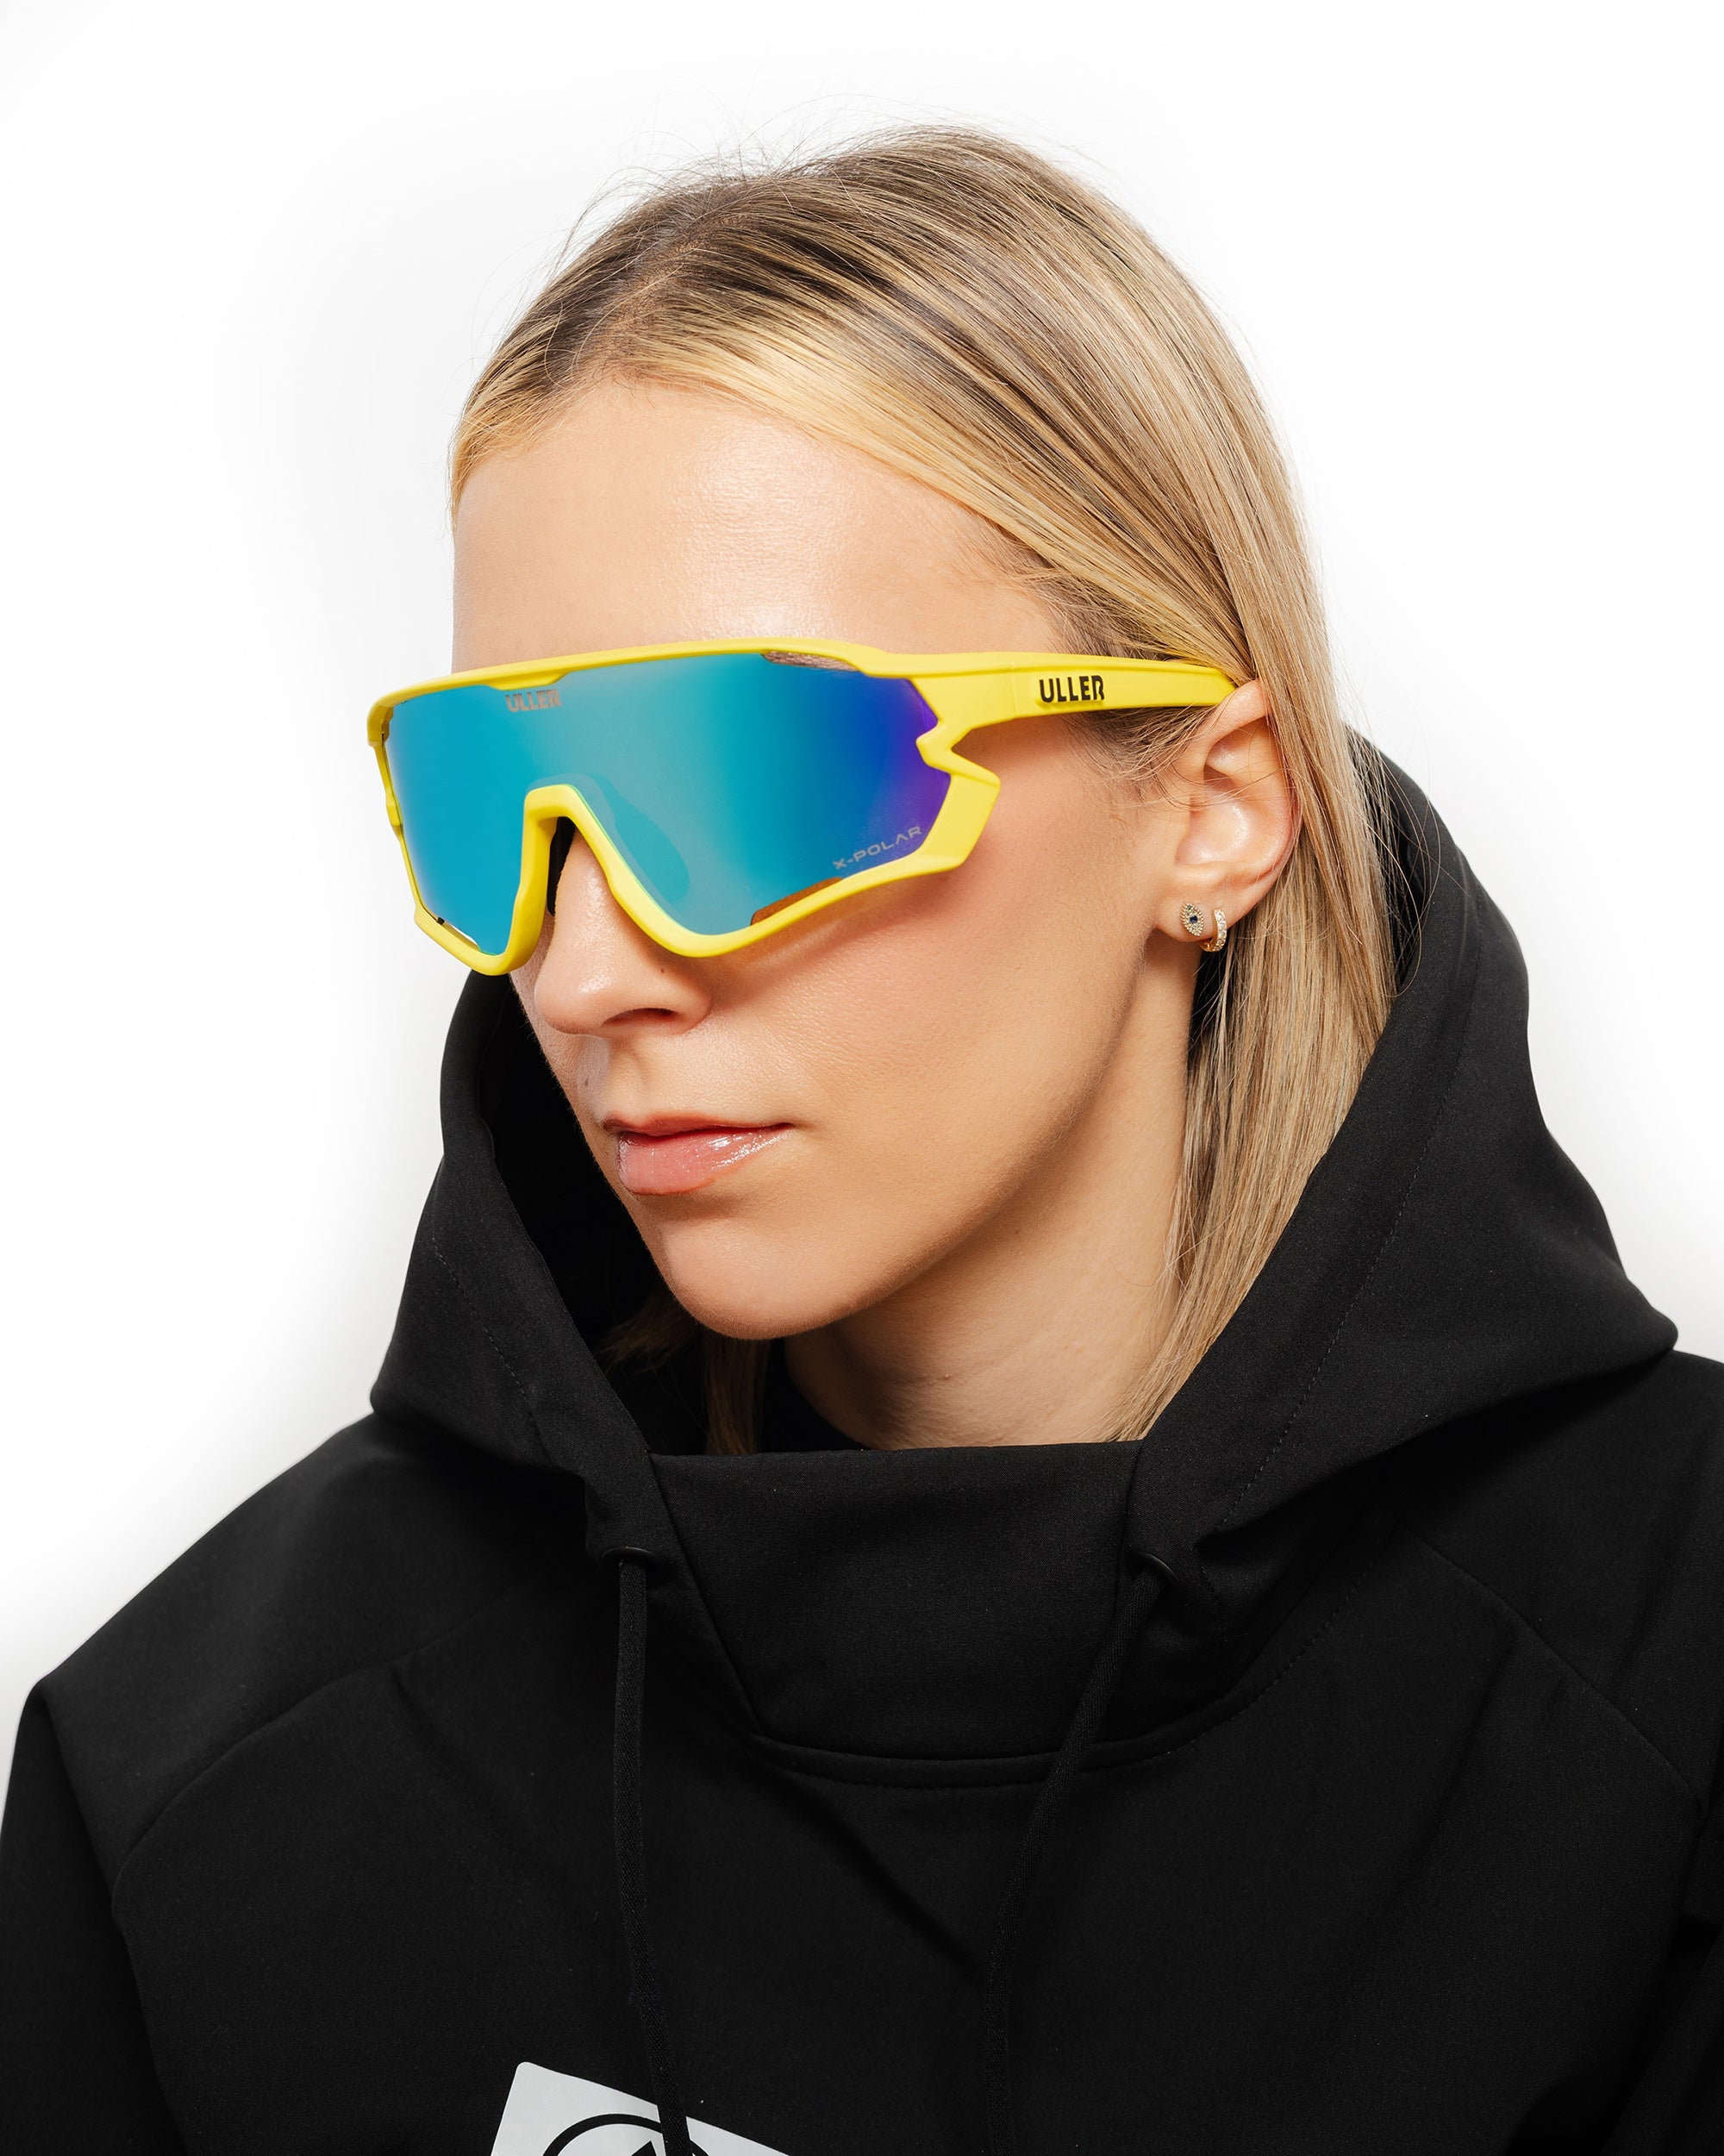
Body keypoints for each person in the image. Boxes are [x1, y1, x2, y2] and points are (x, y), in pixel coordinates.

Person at [2, 127, 1721, 2156]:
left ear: (1211, 811)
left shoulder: (1669, 1697)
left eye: (750, 780)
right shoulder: (200, 1772)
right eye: (495, 802)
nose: (587, 973)